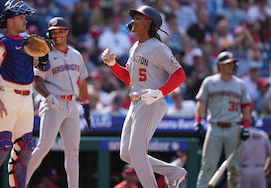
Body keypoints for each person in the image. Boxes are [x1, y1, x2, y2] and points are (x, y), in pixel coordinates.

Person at [101, 5, 187, 188]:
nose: (133, 20)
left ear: (149, 23)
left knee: (136, 150)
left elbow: (180, 75)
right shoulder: (135, 46)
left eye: (138, 18)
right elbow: (128, 78)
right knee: (126, 153)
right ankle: (173, 171)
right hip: (135, 102)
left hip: (151, 102)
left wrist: (160, 92)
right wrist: (112, 64)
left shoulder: (158, 47)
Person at [0, 1, 47, 187]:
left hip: (27, 97)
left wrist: (44, 58)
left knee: (26, 148)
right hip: (6, 95)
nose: (25, 21)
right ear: (9, 21)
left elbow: (42, 69)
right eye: (21, 17)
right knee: (2, 146)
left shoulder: (29, 41)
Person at [26, 17, 90, 188]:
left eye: (61, 31)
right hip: (54, 103)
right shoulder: (45, 54)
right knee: (44, 146)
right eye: (54, 32)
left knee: (73, 152)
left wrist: (86, 104)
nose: (58, 34)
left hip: (72, 105)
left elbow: (82, 82)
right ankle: (20, 182)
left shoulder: (76, 55)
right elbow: (37, 81)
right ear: (50, 34)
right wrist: (49, 97)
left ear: (67, 32)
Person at [194, 51, 252, 188]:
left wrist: (247, 127)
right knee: (208, 166)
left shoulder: (240, 84)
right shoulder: (209, 82)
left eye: (232, 63)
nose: (231, 66)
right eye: (227, 64)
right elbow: (201, 103)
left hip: (234, 128)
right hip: (214, 128)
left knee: (234, 168)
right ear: (219, 66)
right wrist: (198, 122)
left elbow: (246, 107)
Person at [239, 118, 271, 188]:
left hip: (244, 170)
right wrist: (266, 166)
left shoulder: (240, 134)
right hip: (259, 169)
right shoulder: (262, 134)